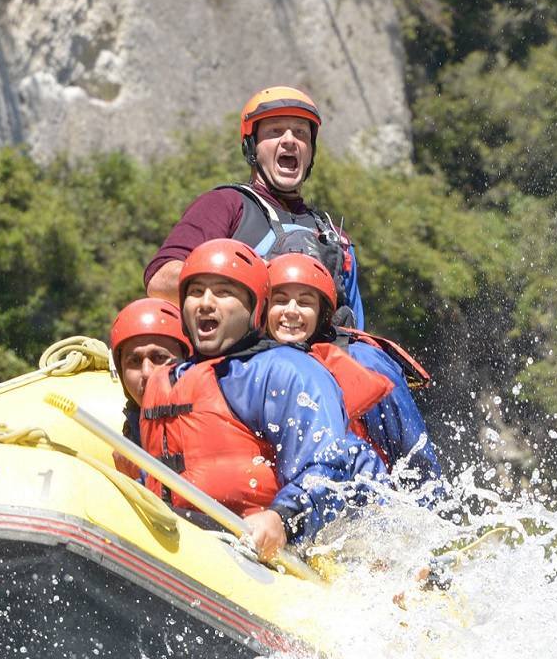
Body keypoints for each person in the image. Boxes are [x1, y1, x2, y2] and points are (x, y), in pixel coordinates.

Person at [134, 239, 385, 562]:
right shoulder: (165, 378)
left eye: (223, 292)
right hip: (182, 537)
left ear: (255, 308)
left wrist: (282, 517)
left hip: (262, 547)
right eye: (196, 292)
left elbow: (330, 462)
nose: (206, 303)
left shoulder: (282, 371)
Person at [145, 86, 366, 329]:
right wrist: (251, 283)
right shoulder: (225, 204)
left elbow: (355, 329)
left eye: (301, 133)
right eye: (275, 130)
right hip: (244, 363)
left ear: (311, 152)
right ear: (252, 148)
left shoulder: (335, 238)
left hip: (317, 363)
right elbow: (160, 279)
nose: (290, 140)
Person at [263, 254, 443, 486]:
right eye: (280, 300)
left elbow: (415, 455)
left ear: (322, 314)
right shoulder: (245, 366)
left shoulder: (364, 362)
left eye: (305, 302)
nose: (291, 311)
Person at [106, 297, 191, 485]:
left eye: (159, 357)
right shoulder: (126, 447)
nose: (146, 372)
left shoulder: (217, 420)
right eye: (134, 361)